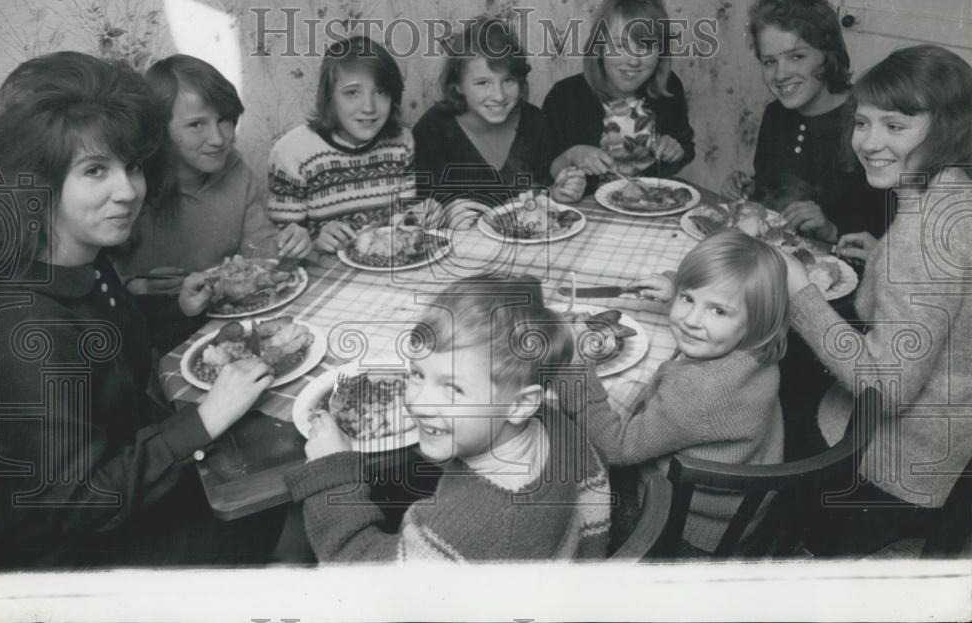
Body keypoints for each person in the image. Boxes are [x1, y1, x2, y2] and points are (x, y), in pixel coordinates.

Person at [0, 52, 283, 568]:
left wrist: (181, 314)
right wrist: (204, 421)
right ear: (39, 179)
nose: (128, 191)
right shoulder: (27, 322)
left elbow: (118, 365)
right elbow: (73, 501)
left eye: (132, 166)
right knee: (297, 509)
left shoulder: (87, 266)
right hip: (74, 556)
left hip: (134, 486)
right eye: (95, 170)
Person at [781, 45, 972, 556]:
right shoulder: (952, 195)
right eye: (862, 123)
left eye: (894, 126)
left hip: (892, 462)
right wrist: (880, 258)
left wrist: (799, 295)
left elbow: (887, 388)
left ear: (948, 128)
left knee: (765, 401)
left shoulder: (923, 233)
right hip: (948, 441)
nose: (869, 142)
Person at [287, 276, 613, 561]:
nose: (417, 401)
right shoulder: (554, 425)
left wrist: (331, 474)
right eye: (417, 373)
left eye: (452, 388)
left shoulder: (476, 524)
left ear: (521, 404)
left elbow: (363, 576)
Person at [563, 230, 789, 555]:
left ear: (757, 321)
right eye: (688, 299)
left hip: (683, 525)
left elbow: (614, 447)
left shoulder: (697, 392)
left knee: (568, 480)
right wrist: (676, 286)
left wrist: (576, 368)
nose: (691, 321)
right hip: (737, 507)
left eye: (718, 311)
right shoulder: (757, 349)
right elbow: (716, 301)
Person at [116, 54, 310, 349]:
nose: (219, 139)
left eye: (225, 120)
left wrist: (292, 245)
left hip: (234, 325)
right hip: (160, 339)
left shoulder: (236, 170)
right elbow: (109, 286)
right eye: (197, 125)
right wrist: (133, 286)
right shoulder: (133, 188)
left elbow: (262, 256)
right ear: (159, 128)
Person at [722, 0, 886, 242]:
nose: (780, 74)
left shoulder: (868, 121)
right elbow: (774, 185)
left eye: (796, 56)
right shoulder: (775, 114)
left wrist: (832, 229)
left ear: (827, 55)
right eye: (769, 62)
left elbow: (889, 227)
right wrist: (751, 189)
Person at [414, 17, 584, 223]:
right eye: (483, 83)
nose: (499, 96)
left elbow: (540, 192)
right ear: (458, 85)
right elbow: (417, 211)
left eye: (508, 80)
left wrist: (557, 193)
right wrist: (444, 216)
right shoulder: (432, 130)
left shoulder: (534, 122)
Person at [268, 36, 420, 254]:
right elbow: (282, 250)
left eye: (381, 92)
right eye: (352, 93)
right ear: (329, 97)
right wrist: (315, 243)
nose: (369, 107)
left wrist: (421, 215)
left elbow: (405, 220)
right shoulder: (290, 154)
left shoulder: (402, 142)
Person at [545, 0, 695, 196]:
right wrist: (572, 155)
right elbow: (544, 170)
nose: (633, 61)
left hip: (651, 205)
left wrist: (676, 149)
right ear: (599, 47)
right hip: (585, 212)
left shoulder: (669, 87)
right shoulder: (564, 96)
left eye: (645, 46)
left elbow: (687, 147)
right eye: (621, 46)